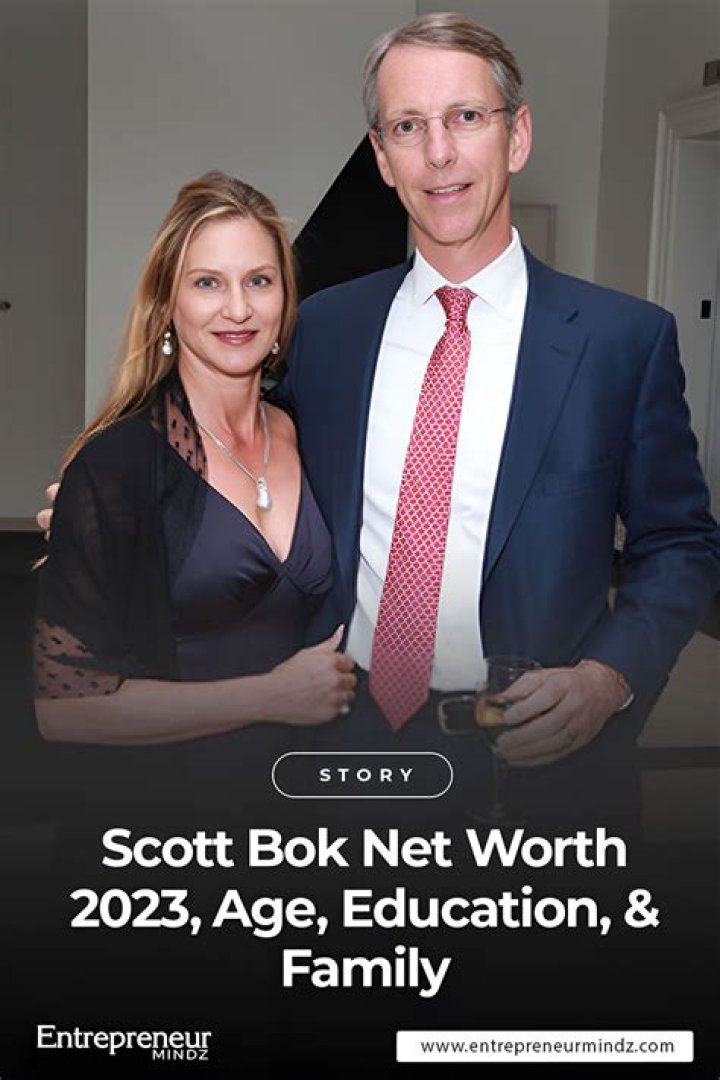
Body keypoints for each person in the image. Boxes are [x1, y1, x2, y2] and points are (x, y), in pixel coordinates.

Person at [271, 13, 720, 824]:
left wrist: (609, 679)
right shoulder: (323, 329)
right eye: (408, 126)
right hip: (344, 741)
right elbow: (247, 472)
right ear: (382, 157)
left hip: (538, 763)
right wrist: (126, 503)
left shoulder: (623, 341)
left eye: (466, 117)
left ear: (517, 137)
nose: (438, 153)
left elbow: (680, 543)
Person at [33, 170, 356, 816]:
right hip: (168, 823)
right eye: (208, 282)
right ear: (167, 304)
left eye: (259, 281)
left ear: (286, 298)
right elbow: (62, 709)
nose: (238, 309)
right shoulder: (119, 466)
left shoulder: (312, 435)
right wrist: (271, 696)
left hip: (299, 813)